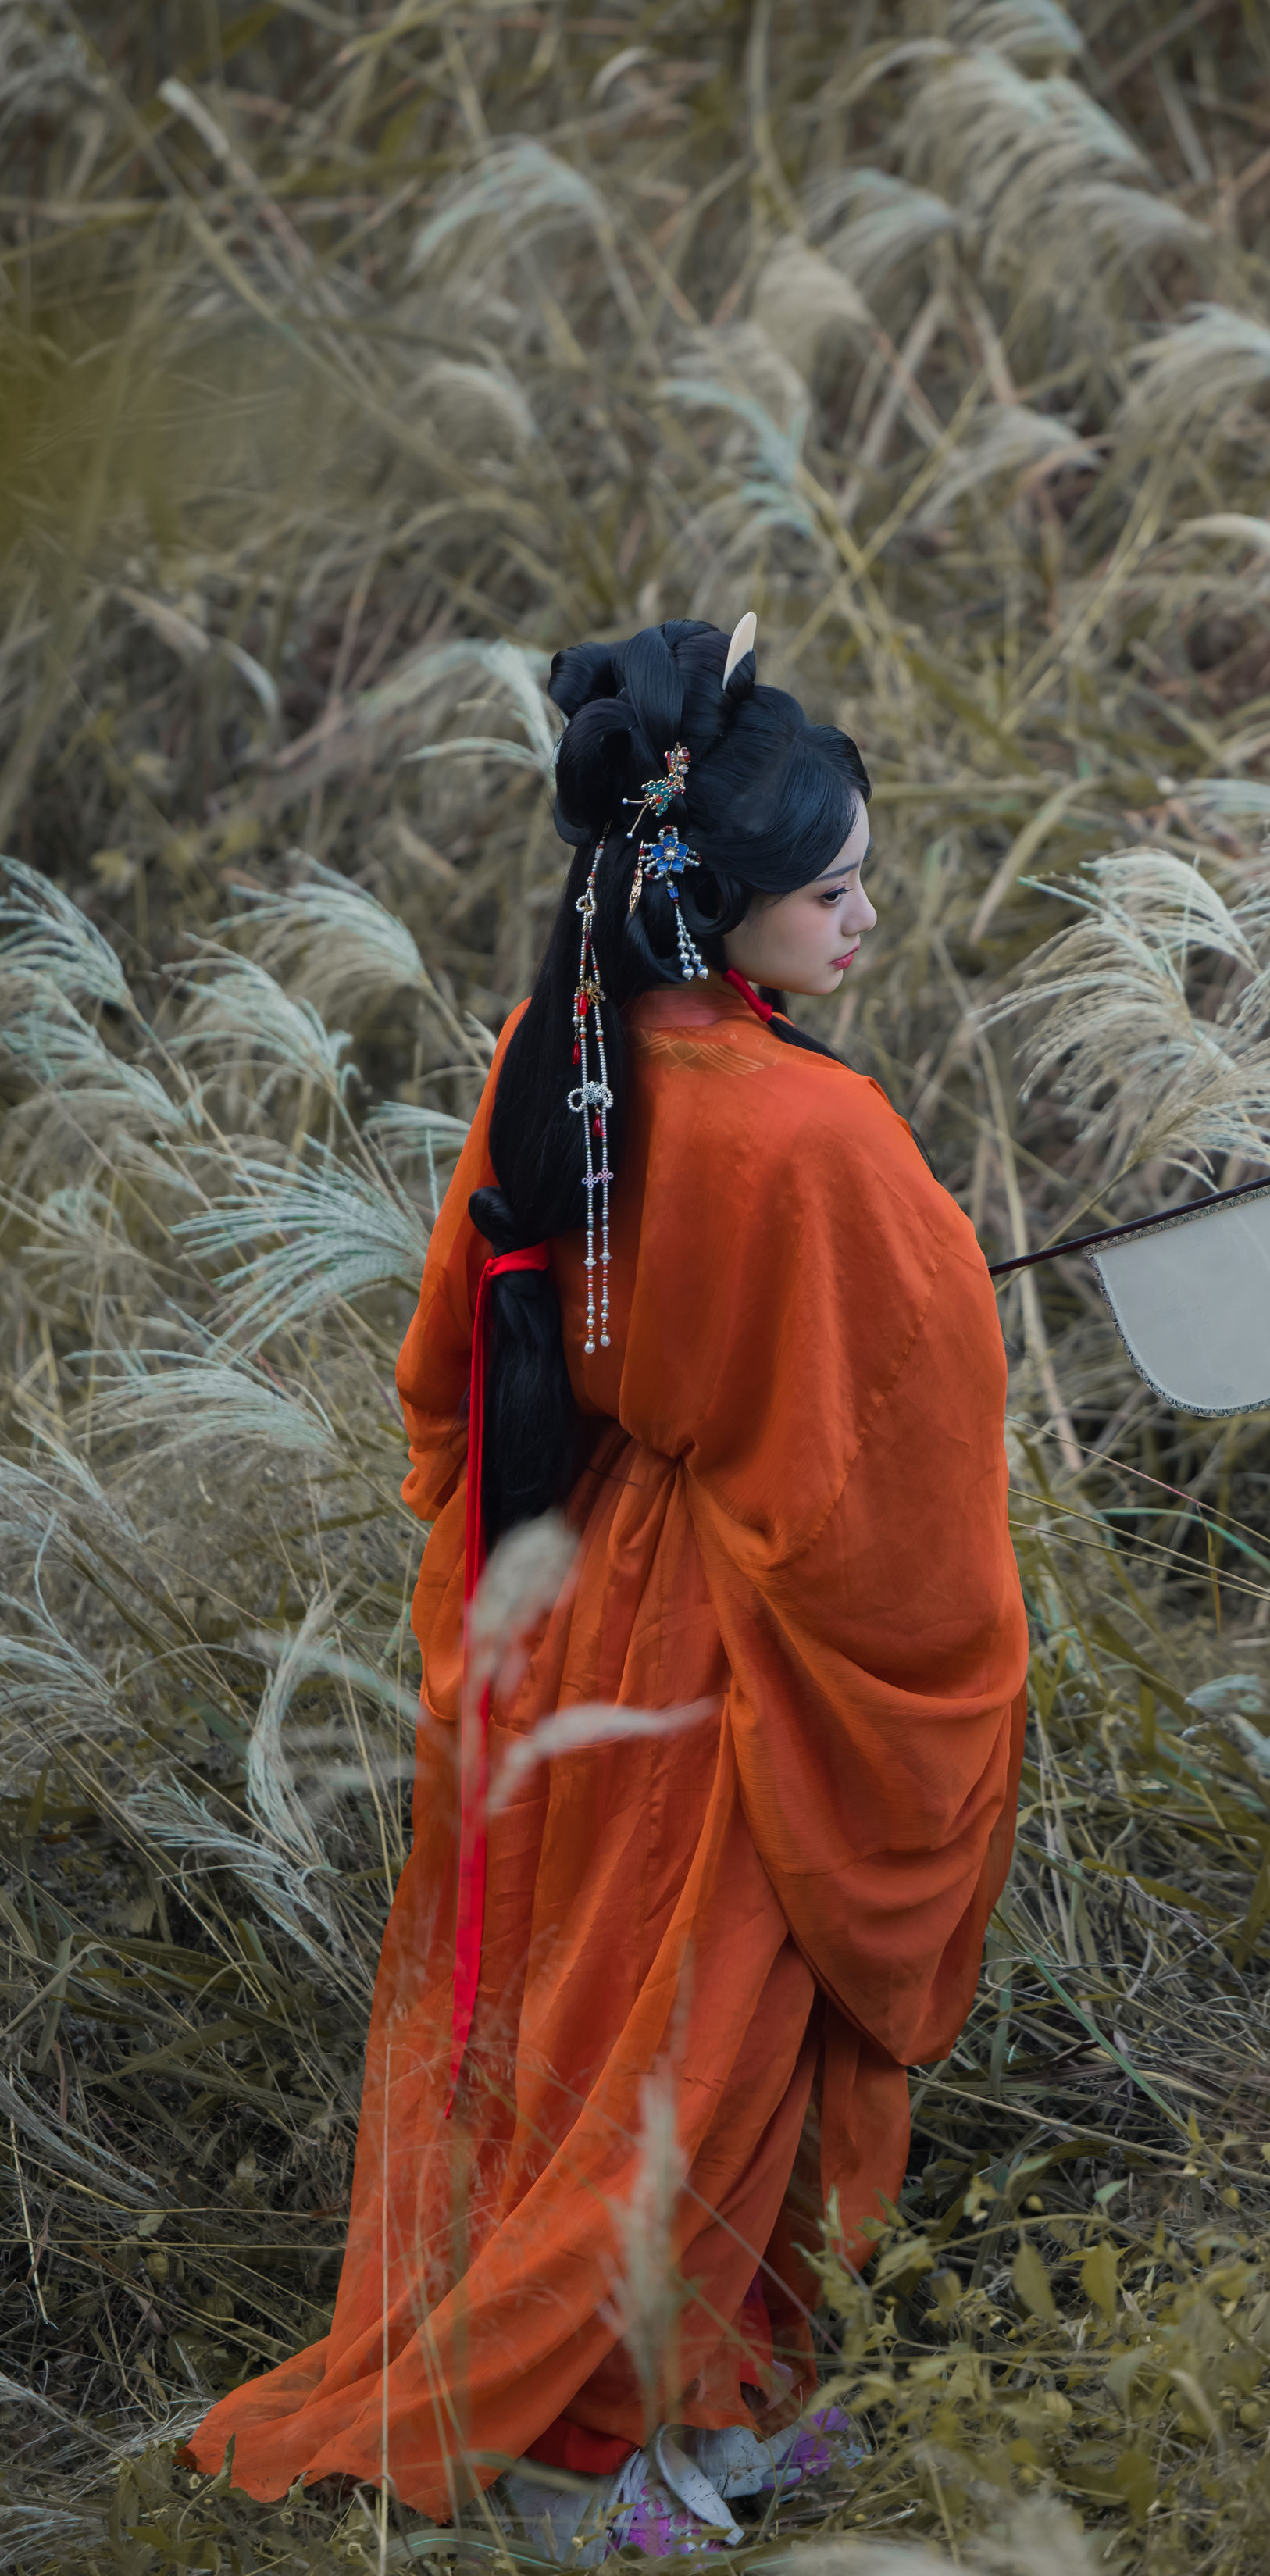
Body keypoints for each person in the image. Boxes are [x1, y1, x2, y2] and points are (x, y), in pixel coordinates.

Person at [185, 615, 1029, 2558]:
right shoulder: (811, 1130)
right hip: (734, 1647)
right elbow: (870, 1459)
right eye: (834, 887)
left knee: (580, 2021)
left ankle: (699, 2403)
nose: (867, 914)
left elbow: (454, 1348)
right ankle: (578, 2453)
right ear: (715, 899)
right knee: (707, 2043)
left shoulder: (551, 1046)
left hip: (548, 1600)